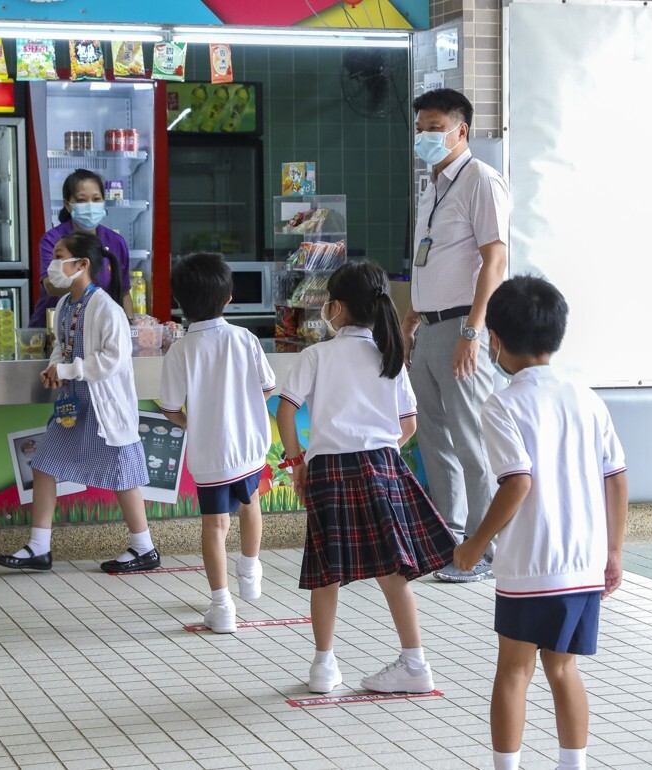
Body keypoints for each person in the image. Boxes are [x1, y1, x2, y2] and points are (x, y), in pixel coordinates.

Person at [454, 276, 629, 770]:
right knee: (563, 668)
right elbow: (615, 478)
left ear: (496, 340)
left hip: (530, 563)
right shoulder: (587, 398)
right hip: (583, 564)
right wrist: (613, 552)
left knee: (513, 671)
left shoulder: (503, 404)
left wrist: (474, 546)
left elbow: (517, 483)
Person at [276, 261, 457, 695]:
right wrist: (382, 450)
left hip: (329, 470)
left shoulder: (316, 355)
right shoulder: (388, 355)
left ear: (335, 307)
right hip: (381, 467)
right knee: (393, 572)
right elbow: (407, 424)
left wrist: (298, 462)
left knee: (326, 572)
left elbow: (286, 409)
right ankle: (415, 664)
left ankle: (323, 667)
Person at [0, 232, 157, 573]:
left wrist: (70, 368)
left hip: (103, 405)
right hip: (73, 403)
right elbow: (61, 344)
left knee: (123, 472)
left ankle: (144, 548)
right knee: (44, 464)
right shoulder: (66, 305)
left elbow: (113, 359)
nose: (52, 265)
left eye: (59, 256)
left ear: (81, 264)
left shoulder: (106, 308)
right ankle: (39, 548)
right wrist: (55, 367)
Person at [400, 88, 511, 583]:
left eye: (434, 127)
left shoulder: (481, 182)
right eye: (420, 127)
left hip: (463, 327)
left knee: (472, 442)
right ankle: (451, 539)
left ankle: (487, 551)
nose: (424, 135)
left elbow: (496, 260)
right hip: (429, 326)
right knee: (434, 440)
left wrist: (474, 328)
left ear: (460, 130)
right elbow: (430, 258)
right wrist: (411, 314)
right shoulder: (433, 186)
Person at [160, 253, 275, 634]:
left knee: (214, 526)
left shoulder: (179, 350)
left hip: (210, 455)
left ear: (180, 302)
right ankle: (250, 570)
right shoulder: (245, 338)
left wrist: (194, 423)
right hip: (250, 448)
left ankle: (222, 606)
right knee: (251, 503)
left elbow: (171, 408)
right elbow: (268, 388)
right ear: (228, 299)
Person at [30, 169, 133, 327]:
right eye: (82, 200)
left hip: (101, 326)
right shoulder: (54, 240)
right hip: (57, 326)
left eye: (96, 199)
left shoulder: (116, 242)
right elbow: (50, 286)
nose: (90, 206)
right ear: (67, 204)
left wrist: (130, 327)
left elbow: (124, 293)